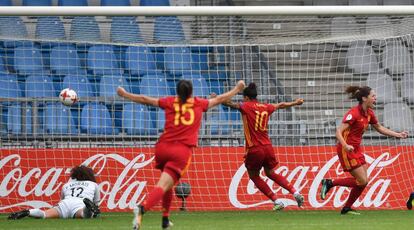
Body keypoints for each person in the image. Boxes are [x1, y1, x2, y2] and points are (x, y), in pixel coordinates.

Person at [117, 79, 245, 230]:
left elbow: (146, 100)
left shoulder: (170, 101)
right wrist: (237, 89)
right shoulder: (199, 103)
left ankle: (165, 220)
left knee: (167, 185)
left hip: (162, 147)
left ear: (177, 92)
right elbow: (219, 99)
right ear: (191, 92)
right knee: (163, 185)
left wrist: (125, 94)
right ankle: (142, 208)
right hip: (181, 151)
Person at [320, 86, 408, 215]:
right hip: (346, 149)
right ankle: (330, 183)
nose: (375, 98)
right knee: (362, 181)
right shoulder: (354, 113)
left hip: (356, 149)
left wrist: (398, 134)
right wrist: (345, 146)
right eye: (373, 96)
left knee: (363, 182)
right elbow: (338, 132)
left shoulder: (369, 113)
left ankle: (347, 207)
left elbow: (379, 127)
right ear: (364, 98)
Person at [219, 82, 305, 210]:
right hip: (268, 146)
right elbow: (281, 105)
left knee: (254, 176)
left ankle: (276, 201)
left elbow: (229, 103)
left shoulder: (246, 106)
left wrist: (217, 98)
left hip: (255, 148)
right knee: (270, 172)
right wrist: (295, 102)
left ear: (247, 97)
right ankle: (295, 192)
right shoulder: (265, 106)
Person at [8, 165, 100, 220]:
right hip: (80, 203)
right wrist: (94, 210)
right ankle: (87, 207)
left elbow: (62, 200)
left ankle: (29, 212)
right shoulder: (93, 184)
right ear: (89, 174)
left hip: (65, 203)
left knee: (44, 214)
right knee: (85, 215)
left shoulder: (66, 185)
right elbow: (96, 204)